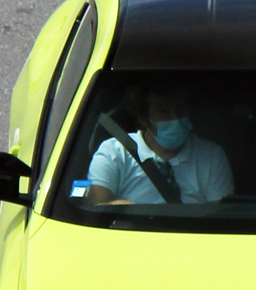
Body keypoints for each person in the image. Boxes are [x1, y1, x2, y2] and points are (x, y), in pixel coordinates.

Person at [85, 83, 234, 205]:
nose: (175, 118)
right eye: (163, 111)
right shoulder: (114, 152)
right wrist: (120, 209)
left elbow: (220, 218)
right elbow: (96, 209)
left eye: (180, 109)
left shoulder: (211, 155)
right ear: (144, 118)